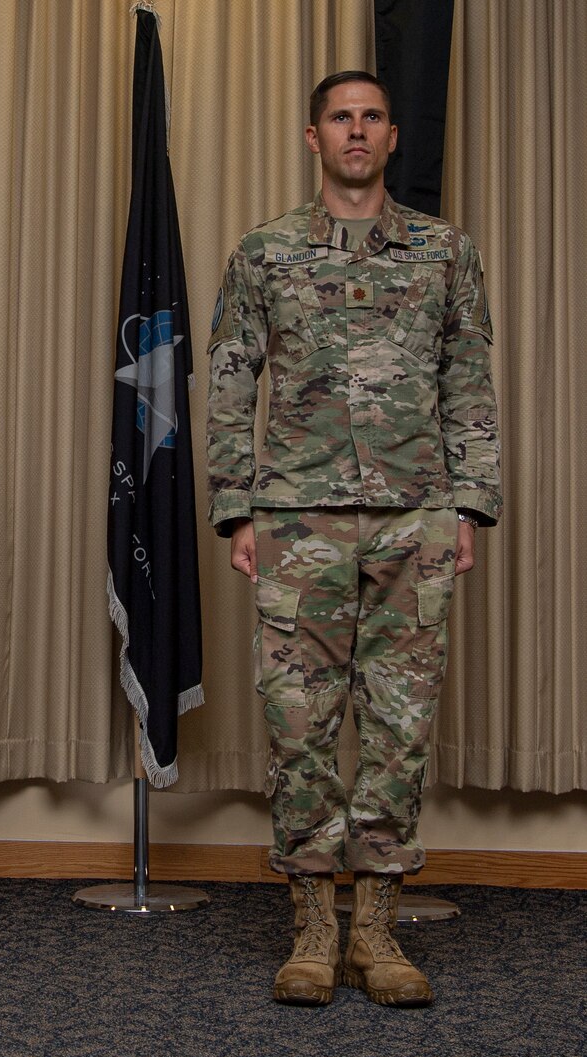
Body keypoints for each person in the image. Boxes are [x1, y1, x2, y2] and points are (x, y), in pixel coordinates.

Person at [206, 71, 500, 1008]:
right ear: (313, 136)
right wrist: (238, 508)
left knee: (399, 729)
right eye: (342, 117)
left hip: (417, 519)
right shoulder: (264, 255)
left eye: (374, 115)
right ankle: (311, 924)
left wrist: (470, 505)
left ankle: (376, 924)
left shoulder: (445, 253)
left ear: (390, 138)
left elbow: (469, 384)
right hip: (298, 522)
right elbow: (227, 385)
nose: (359, 130)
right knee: (300, 725)